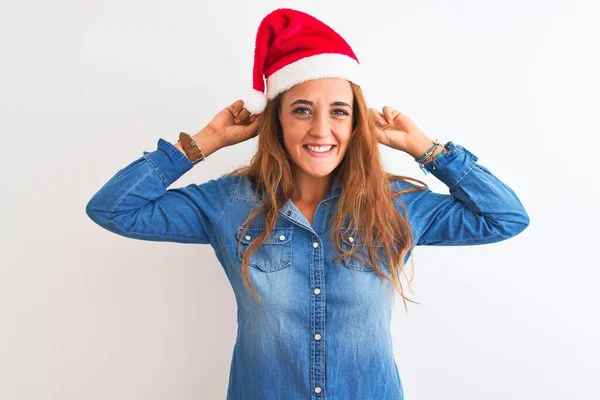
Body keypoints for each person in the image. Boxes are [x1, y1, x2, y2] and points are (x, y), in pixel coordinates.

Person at [85, 7, 530, 400]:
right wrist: (206, 141)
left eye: (338, 111)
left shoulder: (396, 205)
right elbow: (113, 209)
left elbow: (505, 218)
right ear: (275, 120)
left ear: (356, 123)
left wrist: (427, 149)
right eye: (301, 109)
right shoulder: (228, 204)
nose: (321, 129)